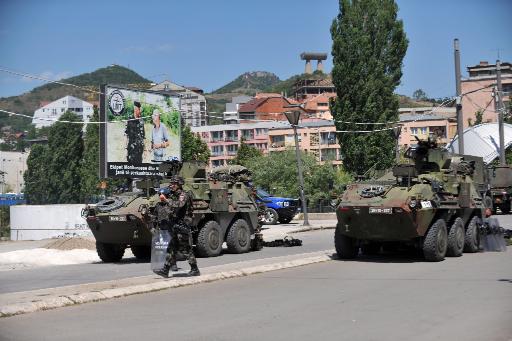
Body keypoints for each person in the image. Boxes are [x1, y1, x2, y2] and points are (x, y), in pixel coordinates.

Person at [154, 175, 200, 277]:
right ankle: (165, 270)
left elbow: (179, 204)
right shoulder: (173, 194)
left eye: (174, 183)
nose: (172, 185)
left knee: (185, 248)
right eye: (171, 183)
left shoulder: (183, 195)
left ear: (179, 184)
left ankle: (195, 269)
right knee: (171, 247)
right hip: (175, 224)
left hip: (182, 224)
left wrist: (166, 200)